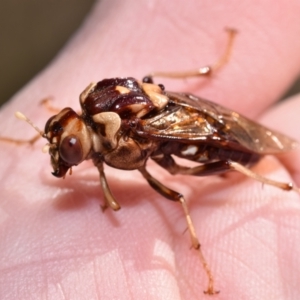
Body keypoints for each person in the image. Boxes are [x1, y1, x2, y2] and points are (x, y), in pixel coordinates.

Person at [1, 0, 300, 299]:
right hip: (163, 118)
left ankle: (274, 186)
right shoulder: (97, 122)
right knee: (149, 82)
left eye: (68, 149)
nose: (61, 156)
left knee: (202, 181)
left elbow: (115, 175)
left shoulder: (126, 131)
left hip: (211, 138)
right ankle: (211, 72)